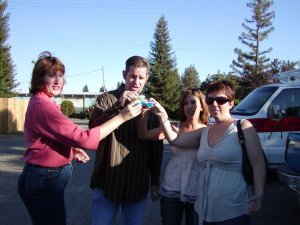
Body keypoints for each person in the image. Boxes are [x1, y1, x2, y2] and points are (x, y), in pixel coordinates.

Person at [18, 51, 142, 225]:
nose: (57, 80)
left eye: (60, 75)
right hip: (43, 181)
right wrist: (121, 116)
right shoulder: (43, 105)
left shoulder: (43, 101)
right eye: (51, 75)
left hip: (46, 180)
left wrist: (71, 148)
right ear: (40, 78)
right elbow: (84, 137)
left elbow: (51, 135)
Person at [150, 80, 266, 225]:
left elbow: (258, 163)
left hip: (234, 209)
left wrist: (259, 194)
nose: (214, 104)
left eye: (221, 100)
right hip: (203, 210)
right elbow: (175, 140)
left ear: (231, 103)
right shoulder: (205, 131)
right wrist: (163, 116)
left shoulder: (243, 127)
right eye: (210, 100)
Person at [88, 55, 163, 225]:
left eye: (141, 77)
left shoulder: (150, 107)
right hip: (107, 181)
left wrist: (155, 181)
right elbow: (93, 130)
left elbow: (155, 148)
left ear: (147, 79)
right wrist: (118, 107)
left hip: (137, 181)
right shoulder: (107, 99)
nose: (136, 81)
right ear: (124, 75)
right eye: (132, 76)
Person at [138, 88, 210, 225]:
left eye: (193, 102)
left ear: (202, 106)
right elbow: (143, 135)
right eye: (185, 103)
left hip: (196, 189)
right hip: (171, 187)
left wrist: (164, 118)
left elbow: (176, 140)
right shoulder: (174, 127)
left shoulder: (207, 131)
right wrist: (143, 115)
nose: (189, 106)